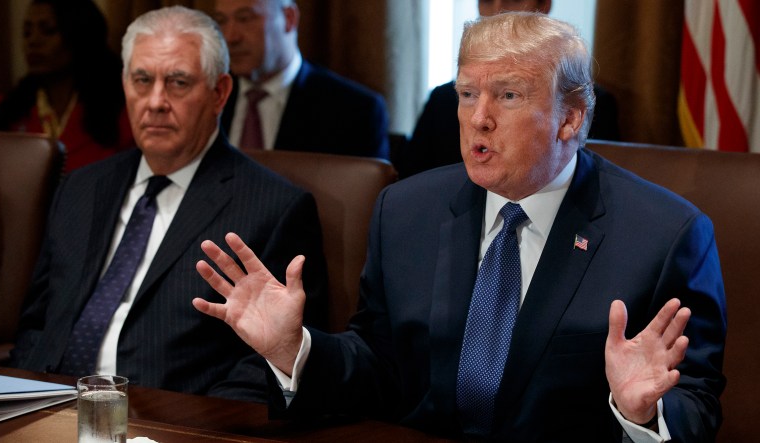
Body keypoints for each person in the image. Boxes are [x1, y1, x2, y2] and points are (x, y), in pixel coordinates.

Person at [193, 12, 726, 442]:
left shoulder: (664, 236)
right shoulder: (407, 210)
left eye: (509, 95)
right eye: (467, 94)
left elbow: (695, 407)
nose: (478, 118)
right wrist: (293, 350)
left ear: (570, 117)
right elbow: (380, 368)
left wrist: (640, 414)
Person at [10, 5, 327, 402]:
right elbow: (37, 323)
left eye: (178, 82)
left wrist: (191, 424)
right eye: (142, 80)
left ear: (219, 93)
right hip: (47, 407)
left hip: (168, 418)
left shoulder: (275, 208)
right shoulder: (81, 187)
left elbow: (273, 357)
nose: (155, 101)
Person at [400, 0, 620, 178]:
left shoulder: (585, 101)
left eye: (509, 96)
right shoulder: (443, 100)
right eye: (468, 94)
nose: (498, 10)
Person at [213, 0, 390, 159]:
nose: (230, 37)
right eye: (221, 21)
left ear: (289, 18)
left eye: (245, 19)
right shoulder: (209, 96)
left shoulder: (354, 111)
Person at [0, 0, 134, 174]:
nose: (33, 41)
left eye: (48, 30)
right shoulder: (5, 111)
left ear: (80, 35)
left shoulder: (119, 110)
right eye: (27, 33)